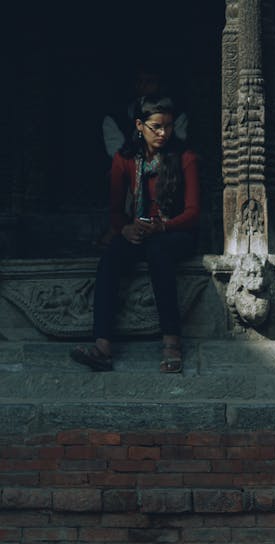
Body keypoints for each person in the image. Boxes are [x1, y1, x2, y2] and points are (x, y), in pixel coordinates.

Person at [71, 95, 199, 375]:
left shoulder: (184, 157)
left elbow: (192, 212)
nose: (163, 133)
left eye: (168, 126)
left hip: (174, 232)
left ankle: (172, 342)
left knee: (158, 251)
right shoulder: (124, 159)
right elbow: (116, 211)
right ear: (140, 125)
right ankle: (102, 347)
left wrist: (162, 227)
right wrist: (125, 229)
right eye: (156, 126)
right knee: (111, 258)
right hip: (139, 230)